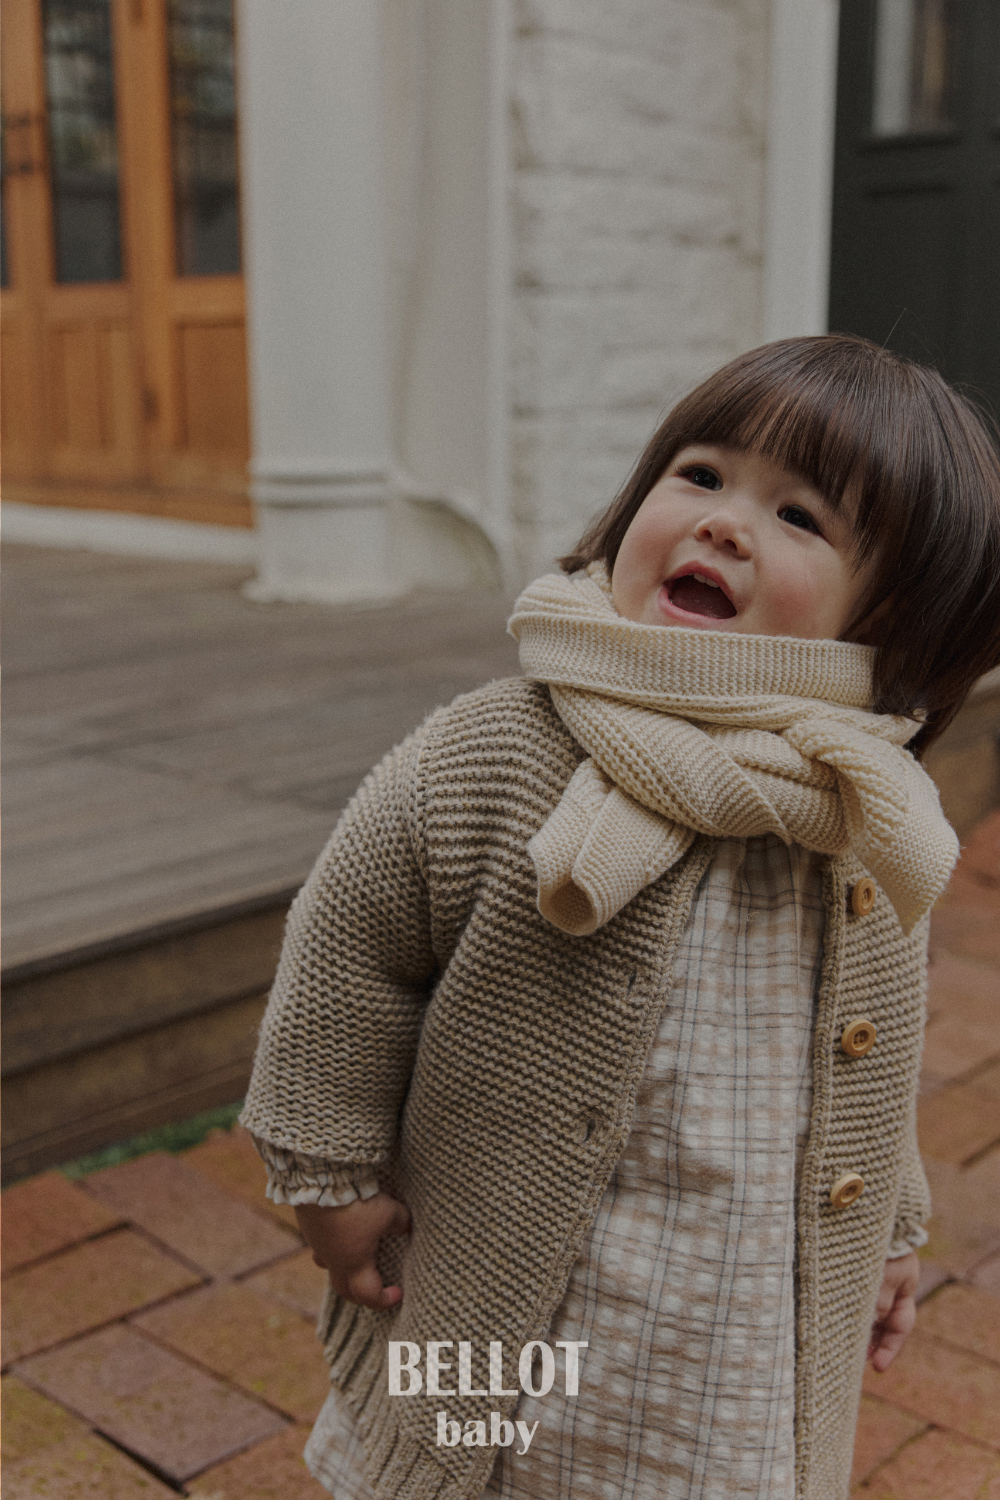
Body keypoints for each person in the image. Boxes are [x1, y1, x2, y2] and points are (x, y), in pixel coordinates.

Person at [240, 335, 1000, 1500]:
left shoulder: (860, 810)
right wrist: (328, 1176)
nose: (723, 524)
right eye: (699, 475)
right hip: (501, 1289)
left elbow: (869, 1061)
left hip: (731, 1324)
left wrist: (889, 1227)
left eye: (798, 516)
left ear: (887, 616)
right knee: (466, 1465)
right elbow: (350, 951)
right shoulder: (500, 753)